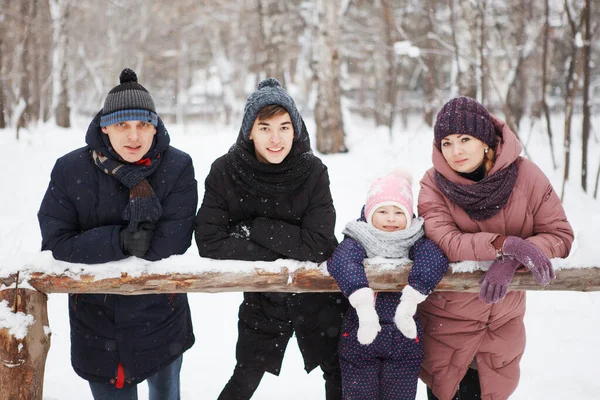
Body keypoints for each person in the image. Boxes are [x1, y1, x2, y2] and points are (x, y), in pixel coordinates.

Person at [38, 68, 198, 400]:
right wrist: (122, 240)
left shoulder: (177, 167)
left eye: (143, 125)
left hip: (161, 317)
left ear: (155, 126)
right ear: (104, 126)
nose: (134, 137)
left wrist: (95, 244)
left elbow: (173, 241)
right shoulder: (71, 170)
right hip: (97, 325)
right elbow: (56, 242)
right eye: (122, 125)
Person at [195, 77, 349, 400]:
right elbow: (209, 240)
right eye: (265, 128)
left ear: (296, 129)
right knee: (245, 377)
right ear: (249, 130)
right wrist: (283, 251)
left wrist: (256, 228)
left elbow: (320, 243)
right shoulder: (226, 172)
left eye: (284, 127)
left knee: (338, 373)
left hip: (318, 295)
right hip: (263, 297)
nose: (276, 138)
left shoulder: (313, 171)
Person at [417, 96, 574, 400]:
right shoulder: (433, 184)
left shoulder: (527, 177)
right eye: (446, 143)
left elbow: (560, 234)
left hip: (502, 325)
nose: (456, 150)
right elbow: (445, 240)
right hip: (446, 324)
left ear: (486, 140)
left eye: (465, 138)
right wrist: (504, 245)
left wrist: (513, 259)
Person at [327, 171, 448, 400]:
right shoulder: (358, 238)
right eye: (382, 211)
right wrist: (363, 302)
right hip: (360, 333)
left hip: (404, 337)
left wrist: (412, 296)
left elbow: (434, 258)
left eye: (398, 212)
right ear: (370, 213)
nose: (390, 218)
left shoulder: (415, 239)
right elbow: (342, 261)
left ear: (409, 216)